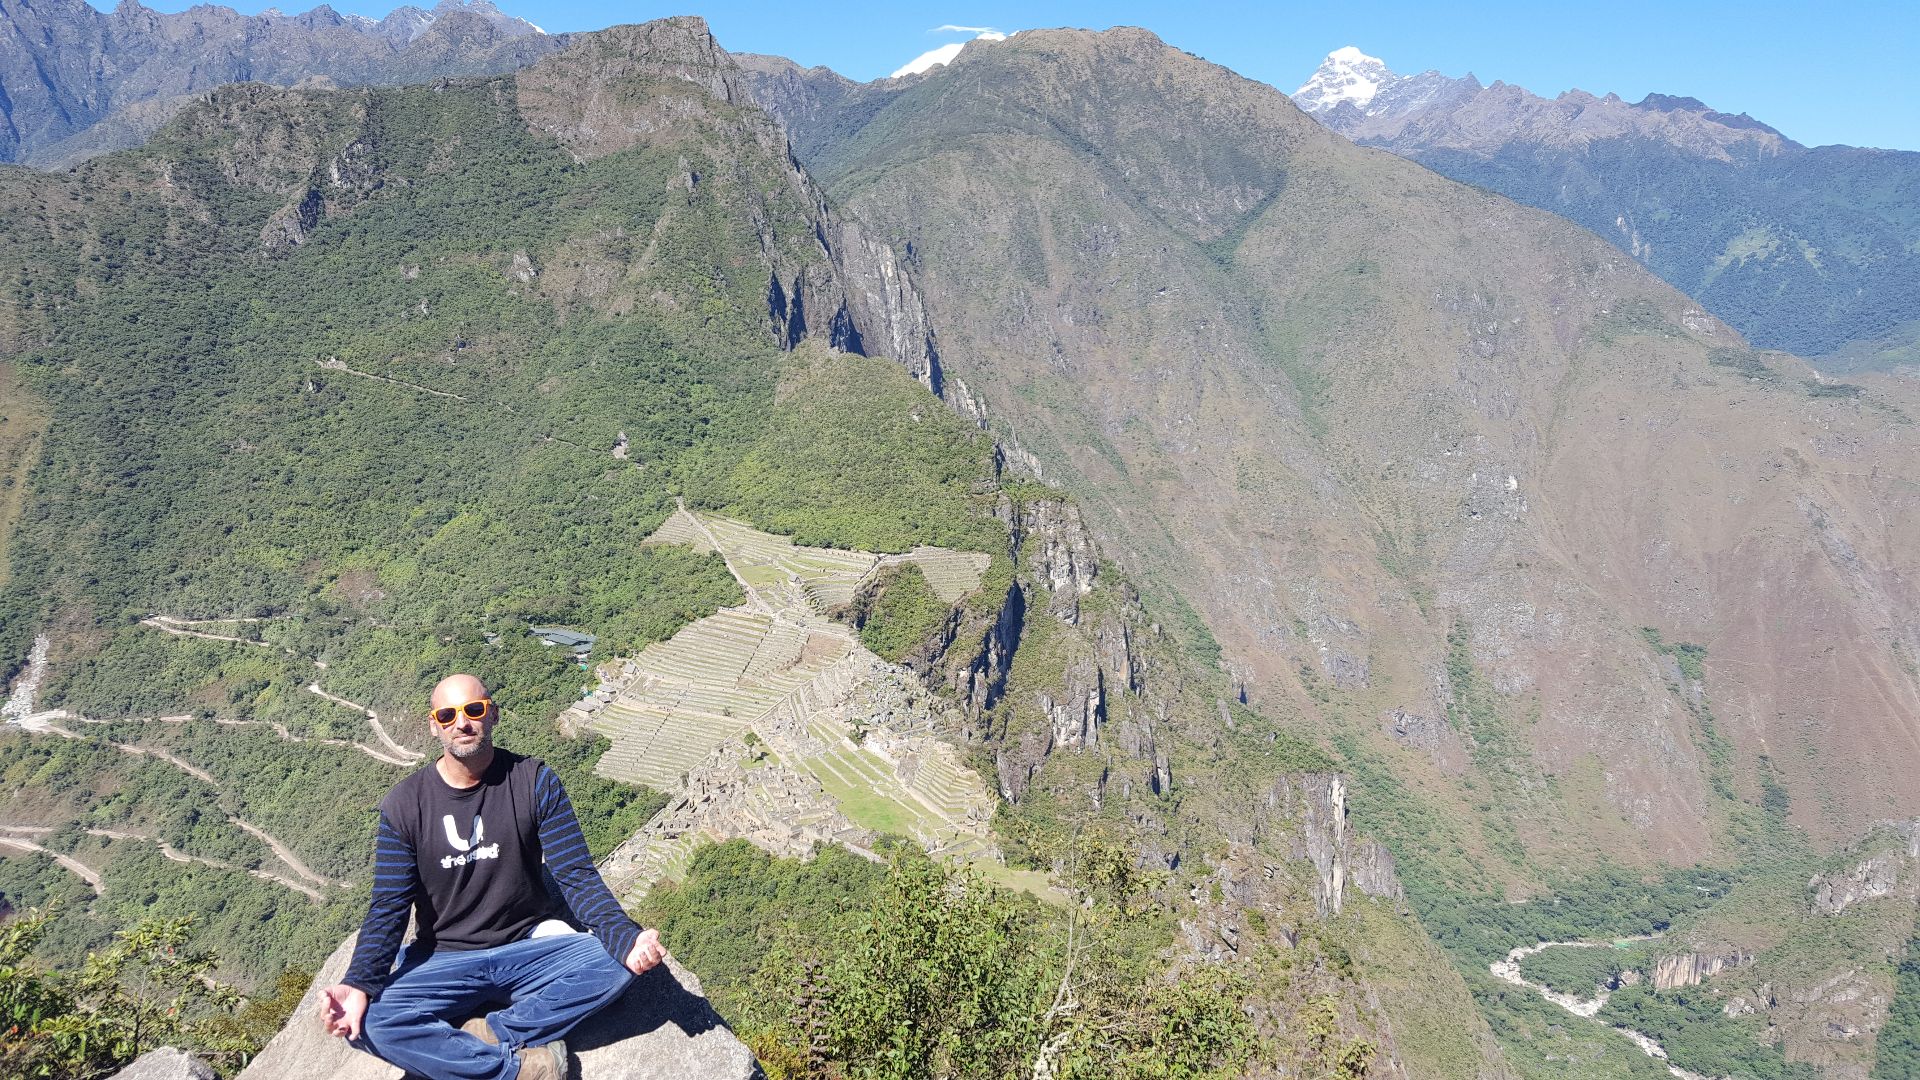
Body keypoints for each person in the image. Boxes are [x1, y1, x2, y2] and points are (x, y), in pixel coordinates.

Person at [318, 673, 667, 1080]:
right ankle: (514, 1067)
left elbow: (576, 875)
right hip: (444, 958)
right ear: (434, 726)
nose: (461, 723)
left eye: (473, 710)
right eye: (447, 715)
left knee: (619, 962)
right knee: (367, 1024)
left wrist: (626, 937)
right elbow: (388, 908)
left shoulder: (534, 780)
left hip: (526, 947)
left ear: (493, 714)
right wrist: (358, 984)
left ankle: (487, 1032)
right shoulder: (404, 805)